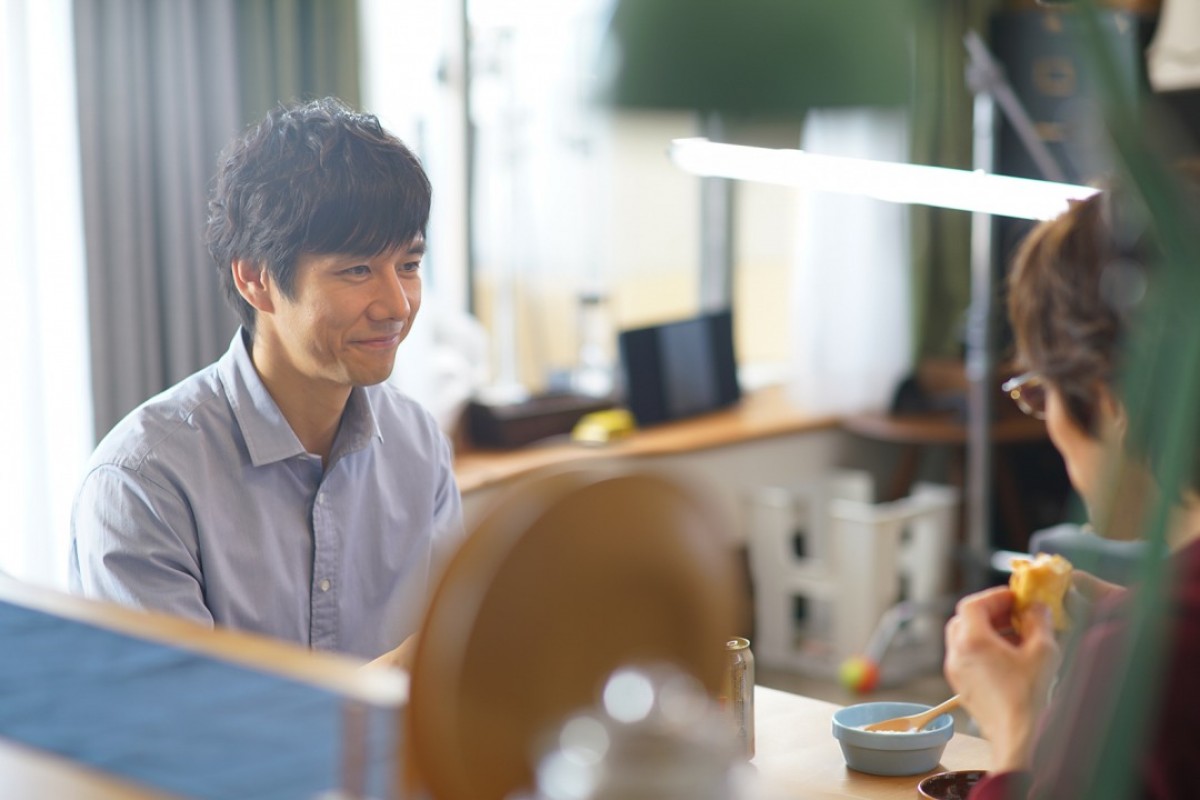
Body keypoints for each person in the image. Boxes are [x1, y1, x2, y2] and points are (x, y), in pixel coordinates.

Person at [69, 97, 463, 666]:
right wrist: (412, 671)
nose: (397, 305)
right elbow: (187, 733)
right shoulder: (142, 484)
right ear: (255, 278)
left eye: (408, 265)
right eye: (357, 270)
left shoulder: (417, 445)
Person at [943, 170, 1200, 798]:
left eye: (1042, 392)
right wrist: (1124, 609)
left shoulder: (1144, 661)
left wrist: (1014, 732)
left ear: (1113, 399)